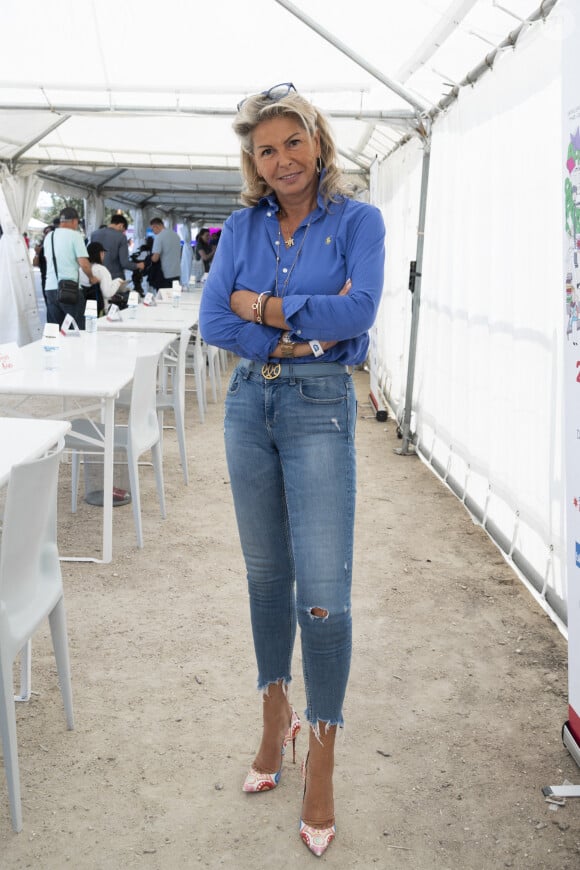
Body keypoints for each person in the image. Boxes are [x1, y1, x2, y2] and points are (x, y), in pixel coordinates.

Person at [198, 82, 385, 857]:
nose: (282, 160)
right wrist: (303, 325)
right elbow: (212, 318)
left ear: (318, 142)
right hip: (249, 406)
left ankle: (324, 756)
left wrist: (265, 309)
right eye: (265, 149)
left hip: (318, 409)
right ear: (254, 159)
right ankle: (275, 717)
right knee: (266, 579)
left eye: (293, 143)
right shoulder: (240, 227)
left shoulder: (358, 220)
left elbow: (361, 312)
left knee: (325, 598)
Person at [44, 206, 98, 328]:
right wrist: (91, 277)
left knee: (55, 329)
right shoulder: (75, 236)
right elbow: (84, 263)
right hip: (70, 289)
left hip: (51, 288)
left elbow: (48, 260)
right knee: (78, 329)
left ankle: (55, 347)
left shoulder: (49, 236)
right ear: (74, 221)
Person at [91, 215, 145, 281]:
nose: (122, 233)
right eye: (123, 231)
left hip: (96, 276)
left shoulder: (94, 234)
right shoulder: (121, 237)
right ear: (121, 225)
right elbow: (124, 263)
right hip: (114, 278)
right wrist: (138, 265)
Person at [81, 241, 127, 314]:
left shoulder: (82, 269)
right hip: (99, 310)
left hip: (83, 308)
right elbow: (107, 293)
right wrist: (118, 281)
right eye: (103, 253)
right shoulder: (101, 270)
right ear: (100, 254)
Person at [149, 218, 182, 289]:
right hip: (177, 272)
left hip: (165, 274)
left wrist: (148, 258)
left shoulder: (159, 237)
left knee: (163, 299)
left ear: (156, 226)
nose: (153, 232)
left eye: (152, 229)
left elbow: (155, 258)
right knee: (175, 297)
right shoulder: (176, 235)